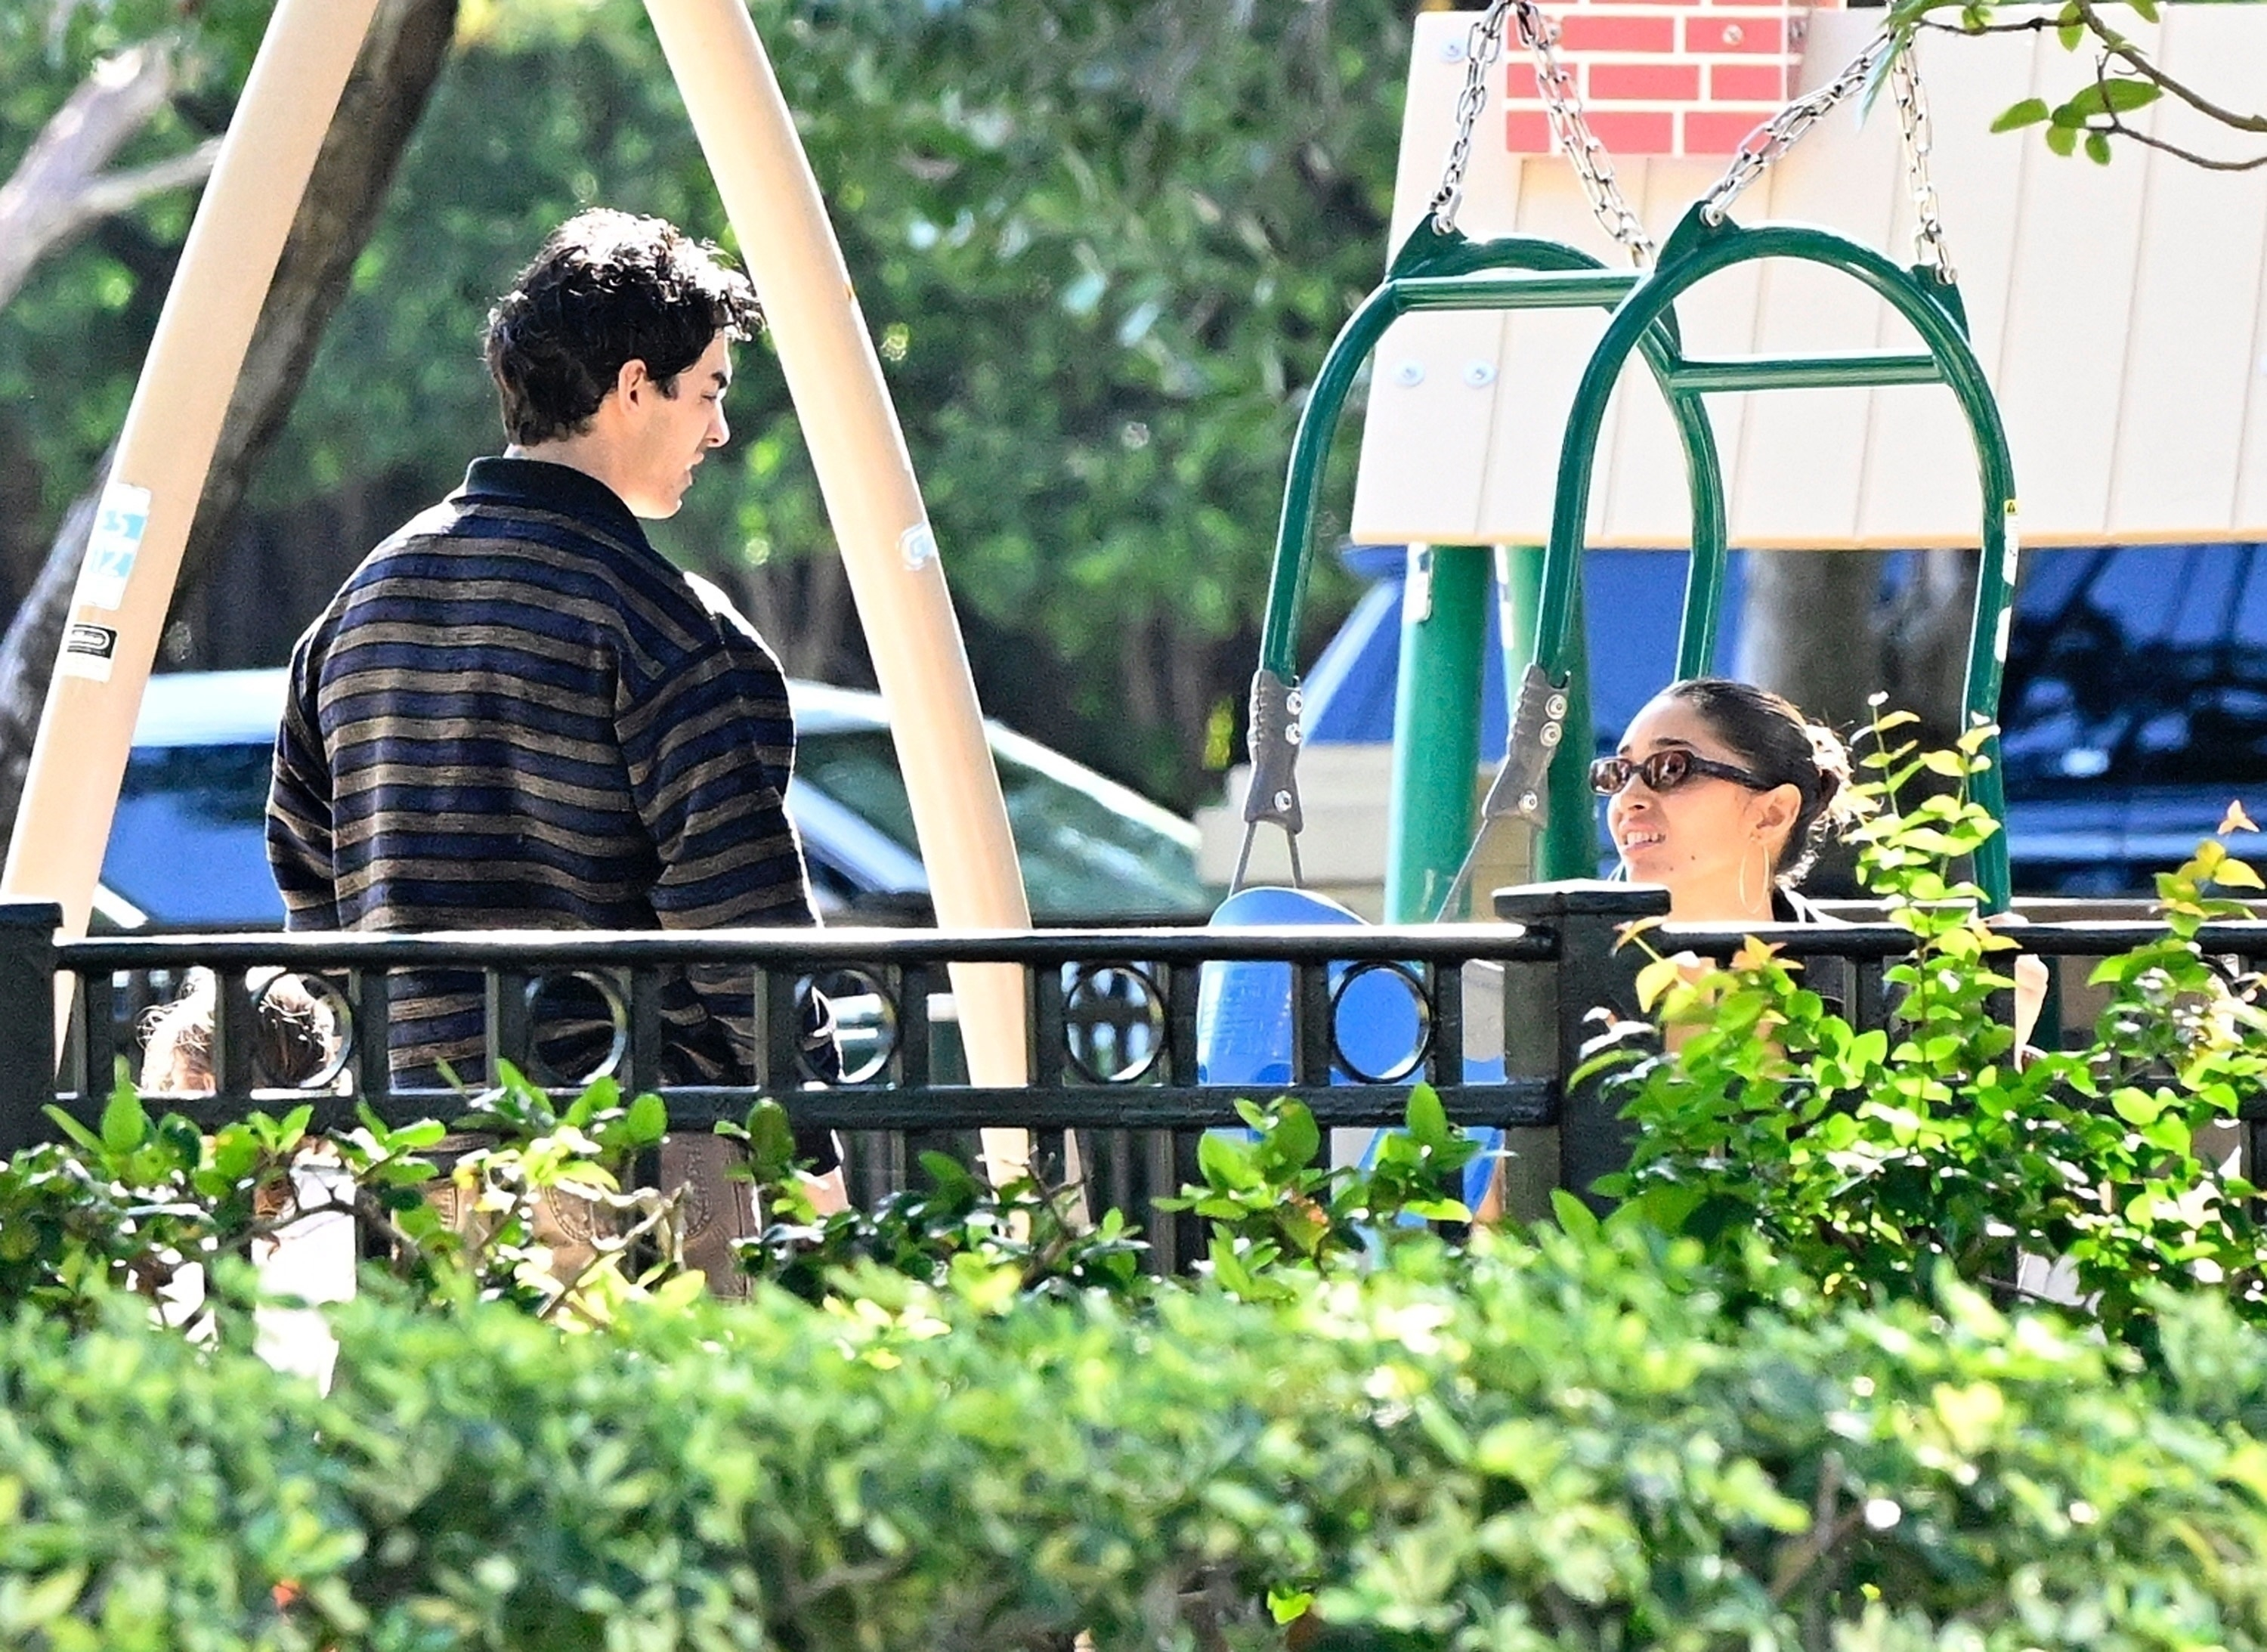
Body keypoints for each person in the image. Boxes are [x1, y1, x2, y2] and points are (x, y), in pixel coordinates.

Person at [265, 209, 841, 1288]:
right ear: (635, 386)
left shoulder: (357, 609)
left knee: (423, 1453)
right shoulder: (674, 630)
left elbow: (310, 883)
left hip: (419, 1163)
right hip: (644, 1161)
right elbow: (742, 935)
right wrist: (814, 1152)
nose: (719, 431)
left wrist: (391, 1060)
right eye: (710, 390)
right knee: (661, 1450)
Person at [1594, 676, 2044, 1041]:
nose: (1628, 798)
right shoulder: (1570, 972)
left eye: (1671, 768)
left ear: (1772, 813)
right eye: (1617, 773)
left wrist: (1997, 1038)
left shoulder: (1880, 982)